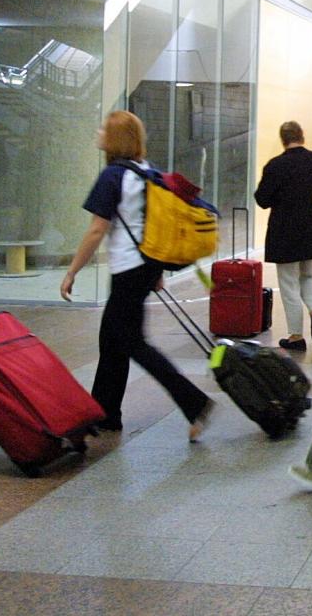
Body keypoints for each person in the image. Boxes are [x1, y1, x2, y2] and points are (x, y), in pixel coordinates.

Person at [60, 110, 212, 441]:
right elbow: (153, 225)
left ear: (115, 138)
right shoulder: (147, 172)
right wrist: (155, 272)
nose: (99, 132)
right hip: (143, 268)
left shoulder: (113, 176)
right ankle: (106, 413)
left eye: (105, 128)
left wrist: (72, 271)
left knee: (131, 342)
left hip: (129, 270)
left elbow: (97, 229)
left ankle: (193, 401)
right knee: (112, 340)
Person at [255, 120, 312, 352]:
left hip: (284, 232)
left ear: (283, 140)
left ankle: (295, 336)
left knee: (289, 284)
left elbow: (262, 200)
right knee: (309, 278)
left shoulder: (275, 165)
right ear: (302, 136)